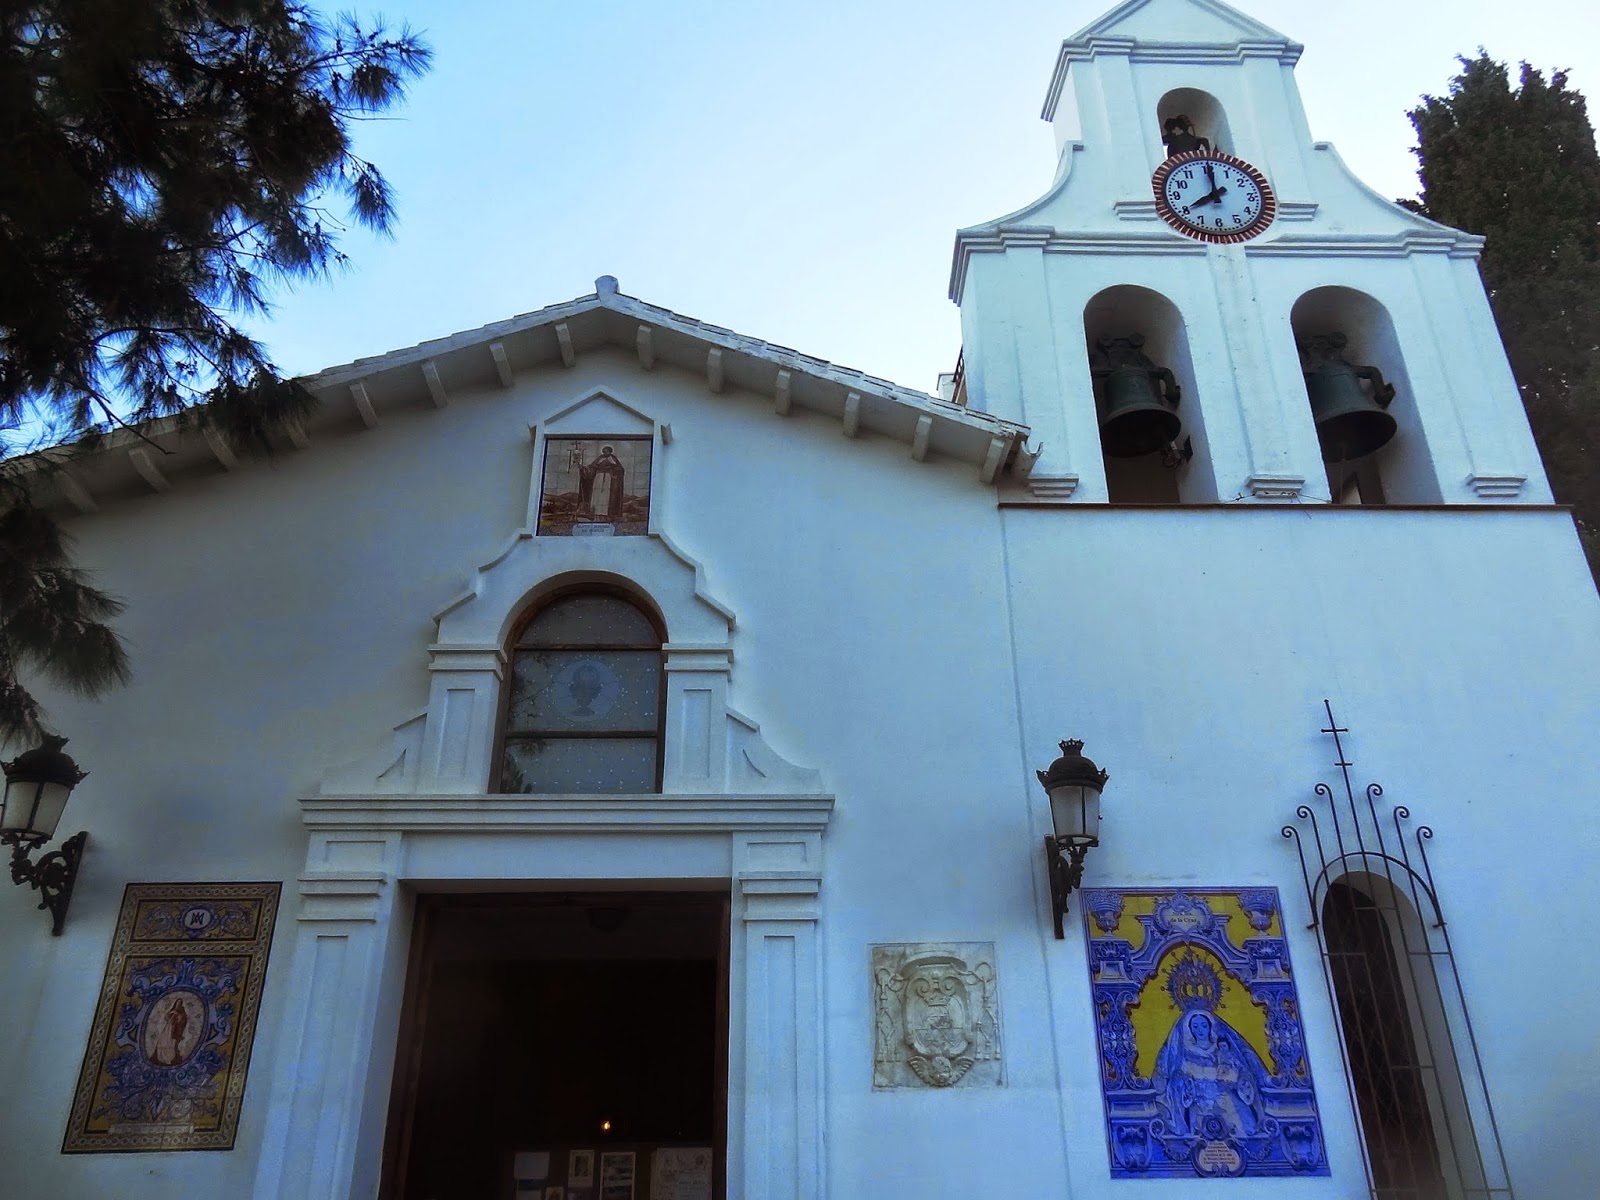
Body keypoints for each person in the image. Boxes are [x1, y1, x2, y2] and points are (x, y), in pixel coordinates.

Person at [1152, 1008, 1270, 1138]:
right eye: (1195, 1027)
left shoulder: (1223, 1049)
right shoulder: (1185, 1055)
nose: (1200, 1030)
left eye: (1204, 1025)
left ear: (1210, 1027)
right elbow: (1176, 1079)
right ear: (1189, 1030)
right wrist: (1185, 1084)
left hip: (1229, 1101)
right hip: (1200, 1106)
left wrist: (1241, 1080)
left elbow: (1242, 1070)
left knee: (1247, 1133)